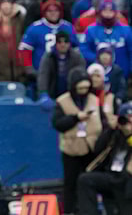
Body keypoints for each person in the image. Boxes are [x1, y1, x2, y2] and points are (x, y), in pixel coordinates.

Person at [52, 67, 103, 215]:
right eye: (80, 87)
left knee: (89, 183)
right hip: (71, 150)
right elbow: (58, 124)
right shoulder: (62, 101)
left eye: (86, 87)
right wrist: (75, 118)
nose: (83, 90)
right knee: (70, 184)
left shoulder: (94, 99)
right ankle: (69, 211)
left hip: (91, 148)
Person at [77, 102, 132, 215]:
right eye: (125, 120)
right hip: (112, 176)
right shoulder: (115, 134)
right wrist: (110, 129)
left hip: (127, 180)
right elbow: (98, 149)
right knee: (85, 179)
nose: (128, 124)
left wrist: (130, 135)